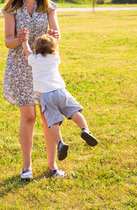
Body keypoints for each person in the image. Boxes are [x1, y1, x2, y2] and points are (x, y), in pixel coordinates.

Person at [2, 0, 64, 180]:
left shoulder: (48, 6)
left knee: (47, 117)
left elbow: (56, 34)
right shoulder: (12, 8)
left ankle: (52, 165)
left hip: (42, 68)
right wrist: (18, 39)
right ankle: (26, 166)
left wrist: (54, 36)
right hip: (20, 66)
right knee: (28, 116)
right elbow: (8, 41)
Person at [22, 33, 98, 161]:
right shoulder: (54, 58)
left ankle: (60, 143)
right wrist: (55, 40)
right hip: (60, 91)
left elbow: (27, 51)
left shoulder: (34, 60)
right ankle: (85, 130)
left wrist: (24, 41)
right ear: (53, 50)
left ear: (36, 50)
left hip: (46, 96)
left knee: (53, 122)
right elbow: (56, 50)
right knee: (75, 112)